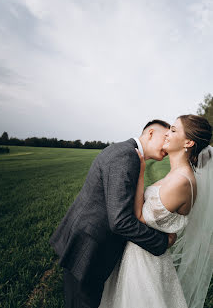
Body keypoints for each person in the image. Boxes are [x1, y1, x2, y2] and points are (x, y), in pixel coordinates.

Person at [49, 119, 177, 308]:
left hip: (89, 241)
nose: (167, 144)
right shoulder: (126, 156)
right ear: (150, 133)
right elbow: (120, 221)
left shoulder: (127, 153)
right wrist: (161, 242)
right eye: (165, 137)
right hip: (89, 247)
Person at [99, 114, 213, 308]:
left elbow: (140, 217)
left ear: (188, 142)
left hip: (145, 261)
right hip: (142, 252)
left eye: (174, 130)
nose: (167, 133)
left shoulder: (181, 181)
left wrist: (141, 172)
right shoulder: (177, 174)